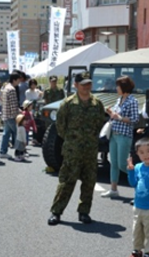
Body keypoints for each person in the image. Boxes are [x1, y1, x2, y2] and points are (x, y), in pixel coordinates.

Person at [48, 71, 105, 226]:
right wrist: (73, 139)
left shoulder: (97, 104)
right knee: (66, 181)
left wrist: (89, 138)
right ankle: (56, 212)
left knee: (89, 182)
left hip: (90, 150)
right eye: (83, 84)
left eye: (89, 83)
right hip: (72, 150)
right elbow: (60, 127)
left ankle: (84, 212)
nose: (87, 86)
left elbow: (101, 123)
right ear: (76, 85)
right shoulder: (67, 104)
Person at [101, 76, 139, 198]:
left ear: (124, 87)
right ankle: (113, 189)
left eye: (118, 86)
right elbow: (116, 115)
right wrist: (111, 113)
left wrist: (120, 117)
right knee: (114, 163)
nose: (116, 88)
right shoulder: (119, 99)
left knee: (123, 164)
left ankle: (140, 187)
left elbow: (135, 119)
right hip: (114, 134)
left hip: (124, 135)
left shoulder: (132, 101)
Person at [0, 72, 21, 159]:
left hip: (5, 115)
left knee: (6, 134)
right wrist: (17, 115)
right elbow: (13, 105)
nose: (19, 82)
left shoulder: (6, 88)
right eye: (18, 80)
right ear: (14, 80)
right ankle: (18, 152)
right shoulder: (12, 89)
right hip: (11, 116)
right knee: (17, 134)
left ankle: (3, 151)